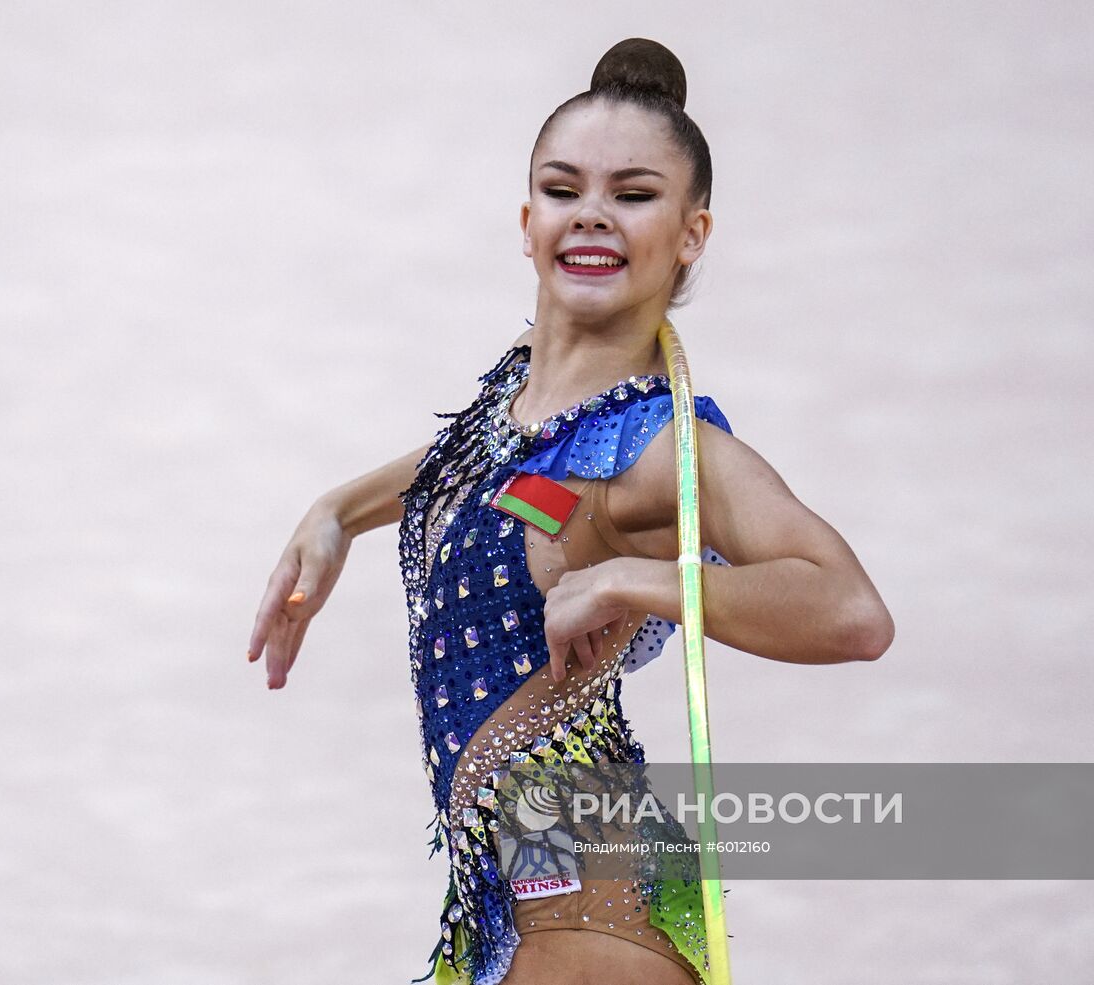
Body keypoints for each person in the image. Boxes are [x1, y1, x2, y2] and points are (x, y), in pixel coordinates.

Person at [247, 38, 894, 985]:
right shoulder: (523, 399)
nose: (592, 214)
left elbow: (853, 613)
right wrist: (338, 510)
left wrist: (638, 577)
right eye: (564, 189)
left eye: (633, 195)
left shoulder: (659, 452)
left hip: (593, 920)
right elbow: (485, 461)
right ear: (525, 219)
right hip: (521, 896)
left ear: (691, 234)